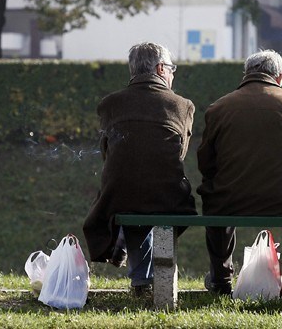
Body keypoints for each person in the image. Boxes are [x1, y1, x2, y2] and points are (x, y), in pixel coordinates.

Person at [197, 49, 282, 299]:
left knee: (213, 197)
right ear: (279, 77)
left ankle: (220, 279)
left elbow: (205, 162)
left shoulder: (218, 108)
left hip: (230, 199)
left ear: (247, 74)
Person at [83, 42, 197, 295]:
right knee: (165, 198)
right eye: (171, 68)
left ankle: (140, 280)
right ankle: (150, 274)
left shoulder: (110, 103)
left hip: (118, 194)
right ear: (159, 69)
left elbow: (107, 152)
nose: (172, 73)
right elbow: (179, 153)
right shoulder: (182, 105)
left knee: (131, 194)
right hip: (167, 195)